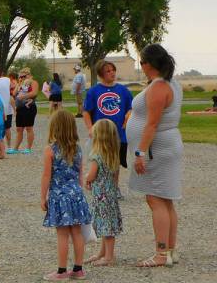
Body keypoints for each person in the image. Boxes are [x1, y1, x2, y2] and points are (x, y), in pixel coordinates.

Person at [127, 44, 183, 268]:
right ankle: (170, 250)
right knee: (165, 199)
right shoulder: (171, 83)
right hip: (165, 145)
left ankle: (161, 253)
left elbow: (152, 123)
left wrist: (140, 152)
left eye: (142, 62)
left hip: (158, 147)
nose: (141, 66)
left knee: (155, 198)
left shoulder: (159, 86)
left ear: (150, 64)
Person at [41, 110, 92, 281]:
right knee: (77, 232)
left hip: (59, 195)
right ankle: (78, 269)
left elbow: (47, 175)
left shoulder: (50, 150)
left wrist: (43, 197)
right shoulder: (77, 149)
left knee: (62, 234)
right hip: (76, 194)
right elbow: (80, 174)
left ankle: (61, 271)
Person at [83, 60, 133, 189]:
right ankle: (98, 185)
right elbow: (86, 112)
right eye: (108, 71)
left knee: (115, 161)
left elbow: (131, 107)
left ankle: (114, 187)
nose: (112, 73)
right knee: (99, 159)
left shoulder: (123, 90)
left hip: (118, 133)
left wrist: (129, 114)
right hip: (101, 133)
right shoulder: (94, 91)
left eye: (113, 70)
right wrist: (90, 128)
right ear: (101, 74)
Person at [85, 119, 123, 267]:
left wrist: (87, 179)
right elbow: (115, 176)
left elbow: (92, 174)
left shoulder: (97, 155)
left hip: (101, 196)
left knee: (106, 228)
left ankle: (109, 256)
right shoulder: (113, 154)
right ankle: (102, 252)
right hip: (110, 195)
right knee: (106, 225)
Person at [10, 67, 38, 154]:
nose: (22, 78)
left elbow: (34, 93)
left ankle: (28, 148)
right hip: (20, 108)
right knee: (19, 128)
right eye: (20, 77)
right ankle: (16, 148)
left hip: (29, 107)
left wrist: (24, 96)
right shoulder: (20, 84)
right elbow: (14, 94)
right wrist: (18, 84)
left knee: (29, 128)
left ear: (28, 75)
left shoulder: (33, 82)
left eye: (23, 76)